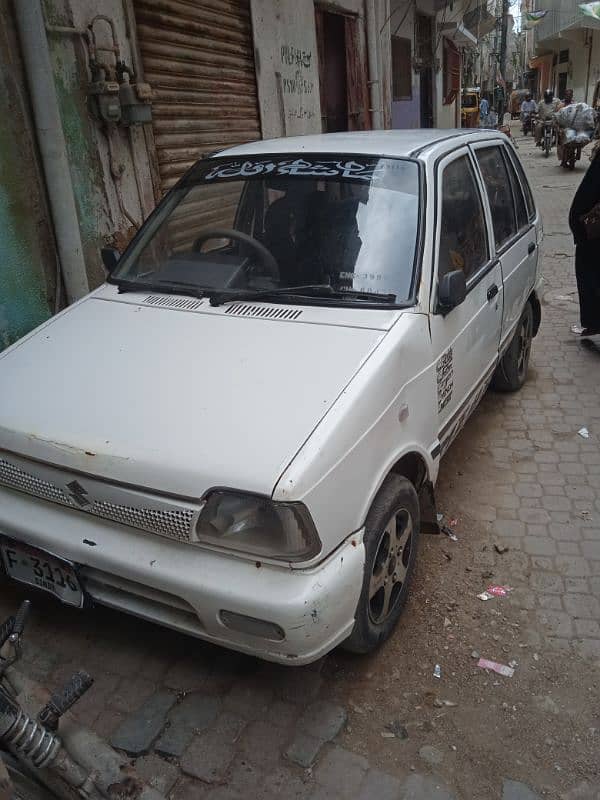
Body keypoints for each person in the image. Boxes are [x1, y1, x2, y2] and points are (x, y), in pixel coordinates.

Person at [568, 148, 600, 337]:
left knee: (589, 271)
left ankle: (593, 321)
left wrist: (579, 225)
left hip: (593, 238)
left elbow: (588, 194)